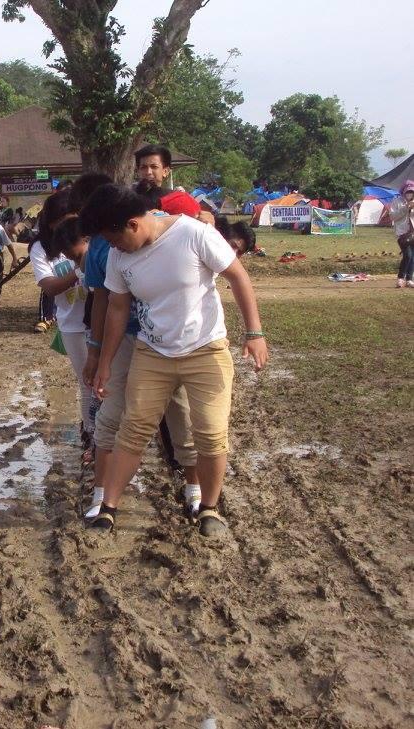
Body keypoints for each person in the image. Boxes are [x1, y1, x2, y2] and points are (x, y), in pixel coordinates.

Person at [83, 184, 268, 537]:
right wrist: (105, 360)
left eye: (115, 238)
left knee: (211, 434)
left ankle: (210, 509)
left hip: (205, 350)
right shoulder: (119, 256)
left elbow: (238, 276)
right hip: (152, 354)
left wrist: (254, 333)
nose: (114, 248)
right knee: (133, 429)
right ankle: (108, 509)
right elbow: (118, 309)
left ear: (133, 224)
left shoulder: (193, 234)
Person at [30, 189, 96, 447]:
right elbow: (50, 287)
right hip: (73, 325)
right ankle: (90, 434)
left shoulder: (92, 237)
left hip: (101, 320)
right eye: (61, 220)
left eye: (73, 218)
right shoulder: (42, 248)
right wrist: (79, 269)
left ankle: (103, 434)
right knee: (87, 381)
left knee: (108, 381)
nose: (68, 225)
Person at [388, 180, 414, 288]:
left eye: (412, 191)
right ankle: (400, 278)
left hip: (413, 233)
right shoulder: (397, 201)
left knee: (412, 256)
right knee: (407, 255)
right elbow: (393, 216)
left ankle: (409, 279)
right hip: (402, 233)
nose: (410, 194)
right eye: (408, 191)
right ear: (403, 192)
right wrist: (405, 208)